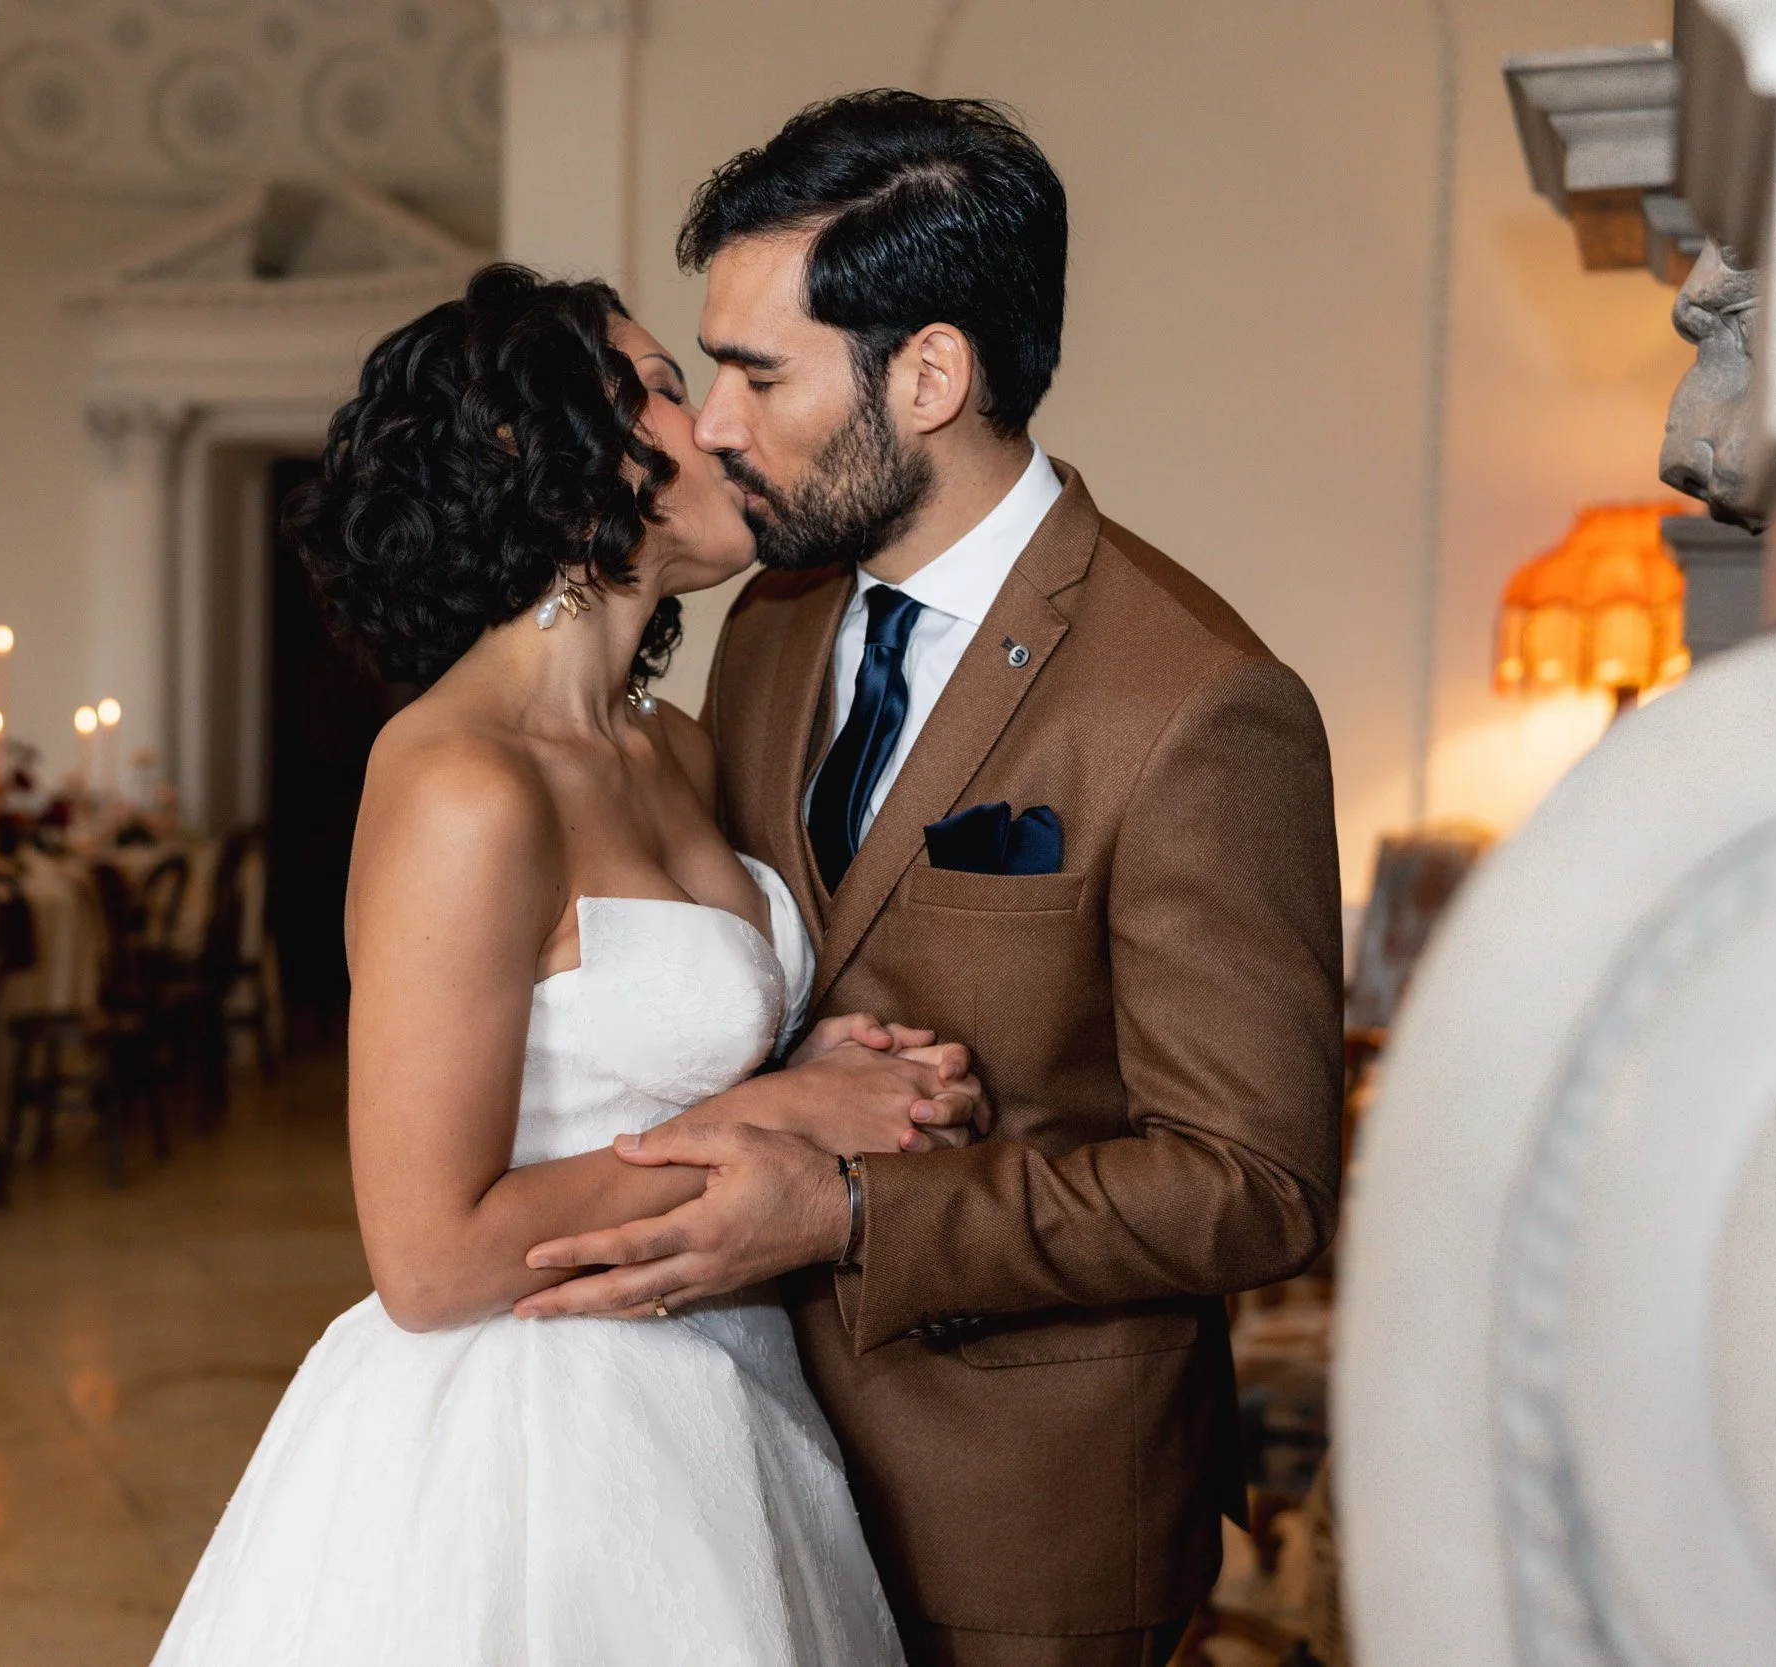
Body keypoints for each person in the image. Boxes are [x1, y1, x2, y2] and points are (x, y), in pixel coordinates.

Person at [516, 92, 1346, 1666]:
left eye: (760, 371)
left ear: (933, 374)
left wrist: (847, 1209)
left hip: (1026, 1526)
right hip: (731, 1480)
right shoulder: (770, 624)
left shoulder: (1197, 700)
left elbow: (1260, 1184)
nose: (710, 425)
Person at [151, 264, 986, 1666]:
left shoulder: (674, 746)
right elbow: (425, 1256)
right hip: (536, 1435)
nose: (718, 423)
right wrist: (766, 1123)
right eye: (661, 387)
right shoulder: (459, 782)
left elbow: (640, 1048)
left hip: (728, 1388)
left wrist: (822, 1067)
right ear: (525, 452)